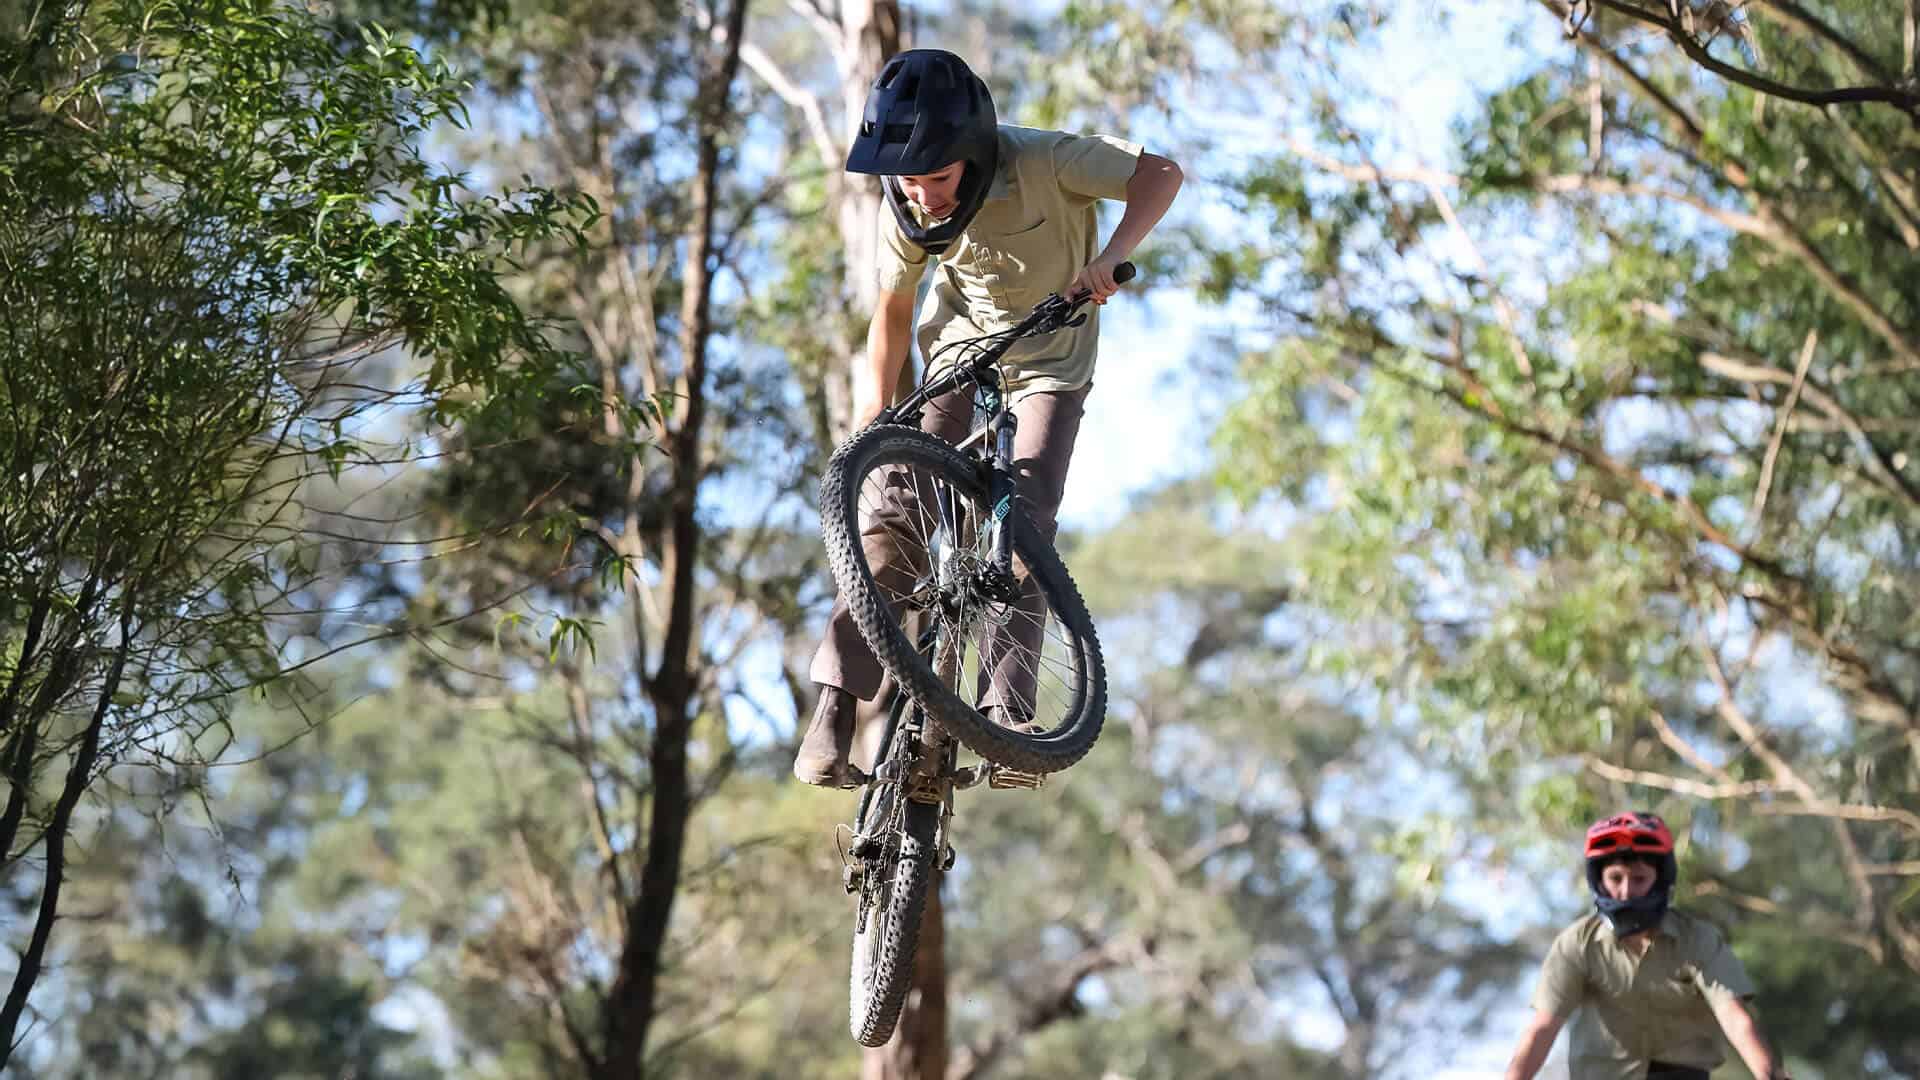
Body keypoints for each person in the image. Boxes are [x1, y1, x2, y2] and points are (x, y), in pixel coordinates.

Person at [792, 48, 1183, 787]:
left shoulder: (1049, 160)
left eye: (938, 177)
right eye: (909, 180)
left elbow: (1161, 175)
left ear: (971, 154)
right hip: (963, 352)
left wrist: (1112, 255)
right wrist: (880, 418)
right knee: (897, 510)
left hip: (1051, 363)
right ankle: (834, 711)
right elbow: (895, 311)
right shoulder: (906, 206)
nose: (924, 195)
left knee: (1026, 515)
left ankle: (1010, 716)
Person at [1503, 811, 1792, 1080]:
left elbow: (1735, 1018)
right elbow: (1543, 1029)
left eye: (1639, 878)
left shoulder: (1697, 939)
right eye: (1615, 878)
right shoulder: (1576, 944)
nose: (1626, 891)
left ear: (1660, 879)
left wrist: (1771, 1076)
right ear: (1598, 881)